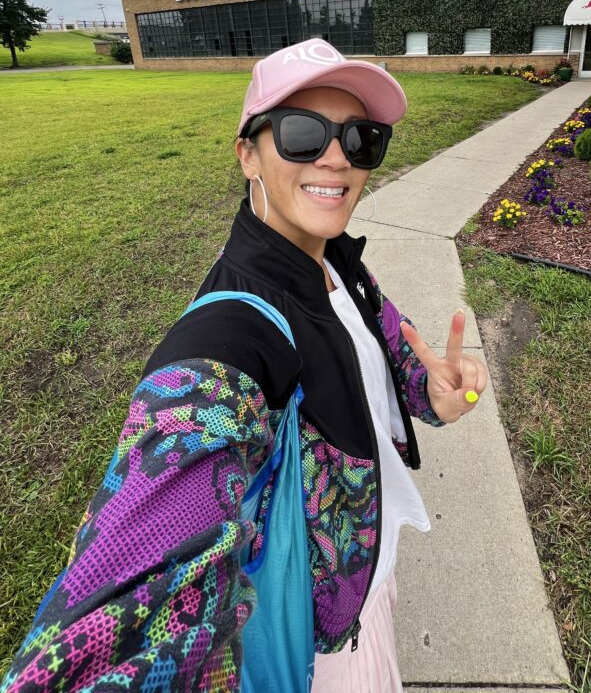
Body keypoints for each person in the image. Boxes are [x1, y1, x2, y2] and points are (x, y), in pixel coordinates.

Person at [2, 38, 488, 693]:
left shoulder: (339, 259)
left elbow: (395, 360)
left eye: (361, 137)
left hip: (370, 579)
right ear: (247, 154)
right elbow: (142, 569)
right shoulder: (233, 332)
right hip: (327, 655)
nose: (338, 156)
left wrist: (433, 395)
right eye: (301, 133)